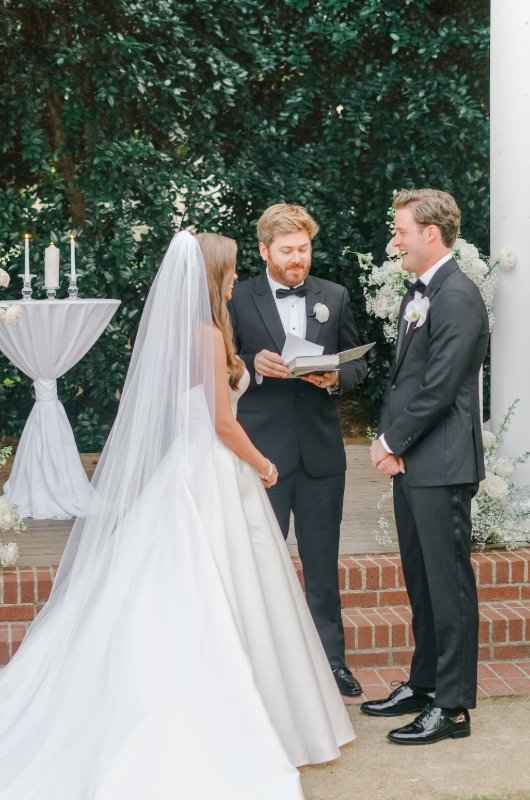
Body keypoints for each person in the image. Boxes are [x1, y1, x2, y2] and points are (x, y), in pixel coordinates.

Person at [0, 231, 354, 800]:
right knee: (228, 586)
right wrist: (264, 464)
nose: (237, 280)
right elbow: (221, 422)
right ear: (213, 276)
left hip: (184, 470)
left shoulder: (184, 334)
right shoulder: (210, 334)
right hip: (214, 470)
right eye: (232, 272)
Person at [363, 189, 489, 745]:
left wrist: (391, 438)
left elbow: (439, 388)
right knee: (421, 582)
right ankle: (423, 683)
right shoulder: (422, 291)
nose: (395, 240)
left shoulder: (458, 296)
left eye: (401, 230)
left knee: (448, 585)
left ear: (430, 234)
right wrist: (395, 446)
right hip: (414, 463)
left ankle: (454, 707)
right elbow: (407, 379)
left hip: (440, 463)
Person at [228, 204, 367, 697]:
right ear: (265, 250)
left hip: (322, 452)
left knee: (322, 563)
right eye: (287, 251)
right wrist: (252, 363)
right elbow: (220, 363)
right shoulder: (238, 297)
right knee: (260, 562)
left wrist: (337, 377)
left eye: (304, 249)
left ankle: (332, 664)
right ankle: (261, 668)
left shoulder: (334, 294)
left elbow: (357, 364)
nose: (297, 260)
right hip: (261, 453)